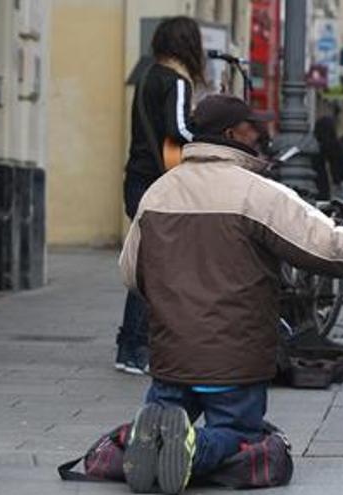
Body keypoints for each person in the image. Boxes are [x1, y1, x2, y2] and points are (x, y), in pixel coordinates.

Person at [118, 95, 343, 494]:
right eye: (251, 126)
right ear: (231, 135)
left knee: (169, 413)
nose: (259, 133)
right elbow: (330, 248)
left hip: (170, 356)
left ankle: (151, 435)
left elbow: (132, 273)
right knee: (240, 434)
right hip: (232, 360)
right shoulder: (257, 194)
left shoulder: (158, 192)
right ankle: (194, 448)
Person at [115, 16, 206, 375]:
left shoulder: (148, 77)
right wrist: (208, 131)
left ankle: (130, 344)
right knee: (154, 269)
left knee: (147, 264)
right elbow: (179, 129)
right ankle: (136, 346)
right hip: (160, 183)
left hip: (137, 179)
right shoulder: (177, 81)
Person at [313, 115, 343, 200]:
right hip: (333, 183)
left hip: (316, 182)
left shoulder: (314, 145)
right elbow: (341, 165)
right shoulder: (336, 145)